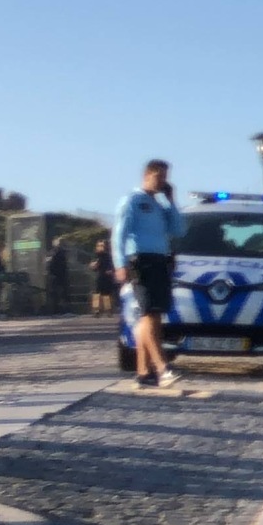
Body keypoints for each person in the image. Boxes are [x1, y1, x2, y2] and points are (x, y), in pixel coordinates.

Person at [114, 159, 185, 387]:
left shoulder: (159, 205)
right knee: (149, 314)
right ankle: (163, 367)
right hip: (140, 260)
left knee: (153, 315)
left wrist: (171, 201)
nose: (162, 181)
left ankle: (143, 372)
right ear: (147, 175)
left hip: (160, 261)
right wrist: (120, 263)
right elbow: (119, 235)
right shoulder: (132, 201)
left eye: (165, 177)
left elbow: (179, 229)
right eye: (159, 177)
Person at [89, 236, 115, 315]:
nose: (100, 248)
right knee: (96, 293)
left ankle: (108, 310)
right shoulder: (95, 255)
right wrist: (94, 265)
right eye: (99, 246)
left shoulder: (108, 256)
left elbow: (112, 265)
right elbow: (92, 265)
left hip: (106, 276)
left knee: (106, 293)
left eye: (102, 246)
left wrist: (111, 270)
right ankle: (96, 310)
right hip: (98, 276)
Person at [45, 241, 71, 314]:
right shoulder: (59, 253)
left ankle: (57, 309)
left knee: (57, 293)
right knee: (61, 293)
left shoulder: (53, 253)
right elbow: (60, 265)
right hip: (60, 276)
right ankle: (61, 309)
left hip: (56, 276)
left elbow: (50, 265)